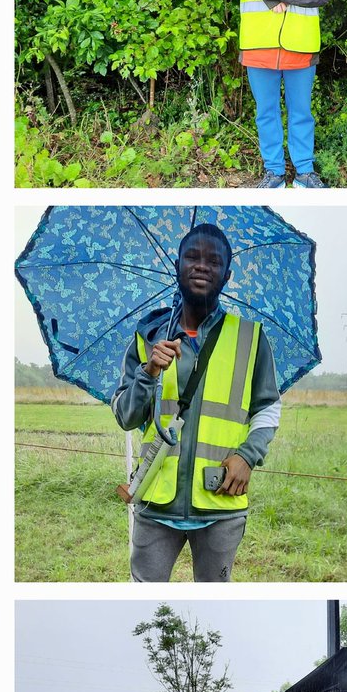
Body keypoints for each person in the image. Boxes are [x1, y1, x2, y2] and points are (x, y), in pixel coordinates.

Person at [112, 223, 280, 581]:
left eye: (214, 261)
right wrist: (149, 371)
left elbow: (268, 408)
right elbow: (126, 416)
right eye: (192, 257)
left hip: (220, 501)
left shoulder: (250, 338)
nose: (202, 266)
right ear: (177, 265)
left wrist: (248, 456)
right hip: (156, 501)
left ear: (227, 274)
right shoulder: (148, 336)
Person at [215, 0, 335, 188]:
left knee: (301, 112)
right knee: (266, 112)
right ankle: (274, 172)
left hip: (301, 42)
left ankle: (305, 172)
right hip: (259, 42)